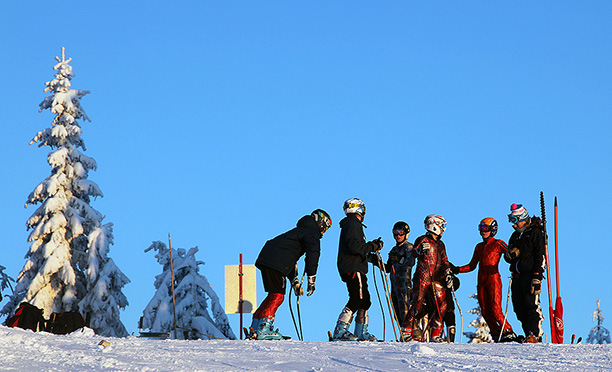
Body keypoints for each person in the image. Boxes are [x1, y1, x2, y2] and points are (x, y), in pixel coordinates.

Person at [249, 209, 332, 340]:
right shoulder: (312, 232)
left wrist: (295, 282)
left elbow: (289, 258)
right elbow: (313, 254)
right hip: (275, 262)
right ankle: (264, 328)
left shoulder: (300, 231)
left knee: (272, 294)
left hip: (267, 258)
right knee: (278, 296)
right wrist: (312, 278)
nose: (323, 232)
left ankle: (255, 326)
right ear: (321, 223)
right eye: (325, 228)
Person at [451, 218, 517, 342]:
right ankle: (495, 332)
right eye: (481, 228)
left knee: (495, 308)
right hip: (481, 281)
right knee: (485, 311)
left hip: (493, 279)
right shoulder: (479, 247)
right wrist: (457, 269)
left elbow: (509, 252)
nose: (483, 232)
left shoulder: (497, 243)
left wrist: (512, 256)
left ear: (493, 230)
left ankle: (508, 330)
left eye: (486, 229)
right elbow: (472, 265)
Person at [332, 198, 383, 341]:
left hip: (355, 266)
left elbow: (357, 248)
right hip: (353, 267)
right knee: (357, 298)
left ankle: (361, 331)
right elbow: (355, 247)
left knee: (365, 300)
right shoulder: (353, 224)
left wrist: (372, 258)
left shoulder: (351, 225)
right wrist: (373, 246)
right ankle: (340, 330)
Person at [400, 214, 453, 342]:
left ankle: (436, 334)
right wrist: (419, 251)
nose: (443, 229)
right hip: (422, 277)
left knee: (442, 304)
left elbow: (445, 261)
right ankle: (407, 331)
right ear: (434, 225)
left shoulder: (440, 244)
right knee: (417, 304)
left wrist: (448, 273)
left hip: (436, 278)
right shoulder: (423, 239)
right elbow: (413, 253)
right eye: (441, 226)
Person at [504, 204, 546, 343]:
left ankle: (535, 334)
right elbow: (508, 256)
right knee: (519, 308)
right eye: (512, 221)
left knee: (531, 305)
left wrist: (537, 276)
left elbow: (540, 255)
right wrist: (510, 255)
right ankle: (527, 333)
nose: (513, 225)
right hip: (517, 276)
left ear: (522, 218)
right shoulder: (515, 236)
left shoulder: (534, 233)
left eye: (515, 221)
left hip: (530, 275)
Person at [383, 221, 415, 327]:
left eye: (401, 232)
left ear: (406, 233)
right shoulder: (394, 249)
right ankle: (404, 337)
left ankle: (413, 335)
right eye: (395, 232)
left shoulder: (408, 247)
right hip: (394, 287)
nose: (398, 235)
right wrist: (375, 260)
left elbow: (410, 262)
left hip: (404, 286)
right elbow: (388, 268)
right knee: (397, 314)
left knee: (406, 313)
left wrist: (399, 259)